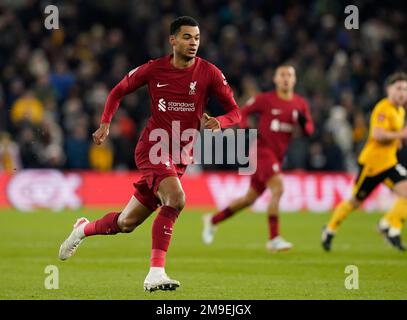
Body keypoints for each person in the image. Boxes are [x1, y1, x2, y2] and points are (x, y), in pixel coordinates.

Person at [58, 16, 241, 292]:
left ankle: (82, 229)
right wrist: (105, 123)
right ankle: (156, 273)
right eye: (187, 37)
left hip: (180, 157)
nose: (193, 43)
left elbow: (235, 112)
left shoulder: (210, 73)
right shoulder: (154, 70)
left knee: (126, 222)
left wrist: (221, 122)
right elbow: (117, 91)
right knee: (176, 199)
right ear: (173, 40)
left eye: (197, 38)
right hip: (153, 148)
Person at [202, 65, 314, 251]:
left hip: (276, 156)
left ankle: (212, 220)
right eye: (282, 75)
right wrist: (246, 127)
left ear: (294, 80)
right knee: (278, 187)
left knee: (248, 199)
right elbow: (242, 112)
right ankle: (274, 239)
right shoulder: (265, 100)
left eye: (289, 75)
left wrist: (304, 124)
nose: (286, 78)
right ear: (276, 80)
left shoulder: (300, 103)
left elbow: (309, 130)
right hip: (261, 152)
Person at [322, 72, 407, 252]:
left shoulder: (400, 111)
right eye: (398, 88)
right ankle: (329, 229)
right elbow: (377, 134)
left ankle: (390, 227)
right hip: (372, 165)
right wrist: (400, 135)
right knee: (355, 201)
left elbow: (390, 135)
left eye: (405, 89)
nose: (402, 93)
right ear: (389, 90)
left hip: (389, 163)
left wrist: (397, 140)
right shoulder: (383, 108)